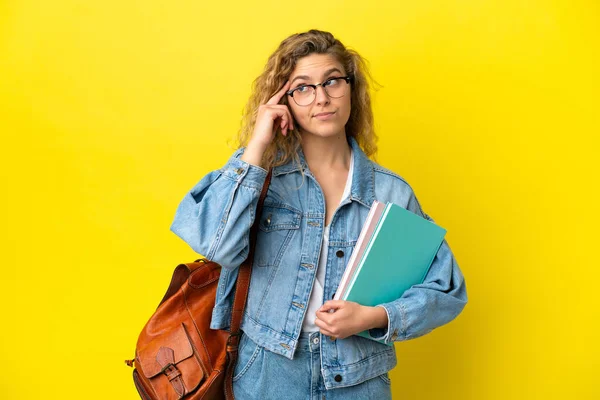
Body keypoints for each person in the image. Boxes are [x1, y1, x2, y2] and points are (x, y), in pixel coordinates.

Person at [170, 29, 467, 400]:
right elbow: (217, 246)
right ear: (283, 101)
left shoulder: (391, 192)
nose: (322, 98)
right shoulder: (259, 177)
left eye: (332, 82)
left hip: (359, 377)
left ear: (351, 89)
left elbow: (447, 289)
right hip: (267, 373)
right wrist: (258, 145)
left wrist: (373, 318)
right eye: (303, 88)